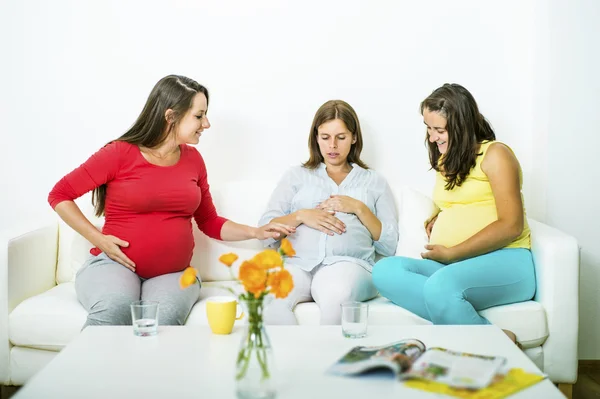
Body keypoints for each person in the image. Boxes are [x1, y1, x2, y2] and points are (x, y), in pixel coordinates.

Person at [48, 75, 295, 328]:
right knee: (115, 308)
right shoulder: (119, 153)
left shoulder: (193, 160)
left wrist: (257, 231)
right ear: (171, 116)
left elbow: (209, 221)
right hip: (114, 266)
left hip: (172, 274)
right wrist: (98, 239)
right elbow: (59, 195)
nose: (206, 123)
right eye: (199, 116)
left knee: (163, 324)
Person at [372, 84, 535, 345]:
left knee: (440, 287)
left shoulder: (496, 155)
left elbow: (511, 225)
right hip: (455, 266)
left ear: (461, 125)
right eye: (428, 127)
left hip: (507, 261)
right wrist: (439, 216)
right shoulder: (446, 160)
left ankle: (495, 345)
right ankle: (483, 332)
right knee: (384, 271)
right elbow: (462, 201)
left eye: (439, 130)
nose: (433, 137)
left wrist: (453, 252)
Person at [259, 100, 399, 325]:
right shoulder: (296, 176)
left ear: (354, 138)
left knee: (336, 294)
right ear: (316, 137)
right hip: (297, 264)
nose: (332, 145)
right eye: (325, 137)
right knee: (269, 298)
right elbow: (265, 230)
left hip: (349, 265)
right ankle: (292, 359)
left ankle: (326, 357)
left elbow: (389, 243)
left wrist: (358, 208)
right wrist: (301, 216)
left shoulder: (374, 181)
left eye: (341, 137)